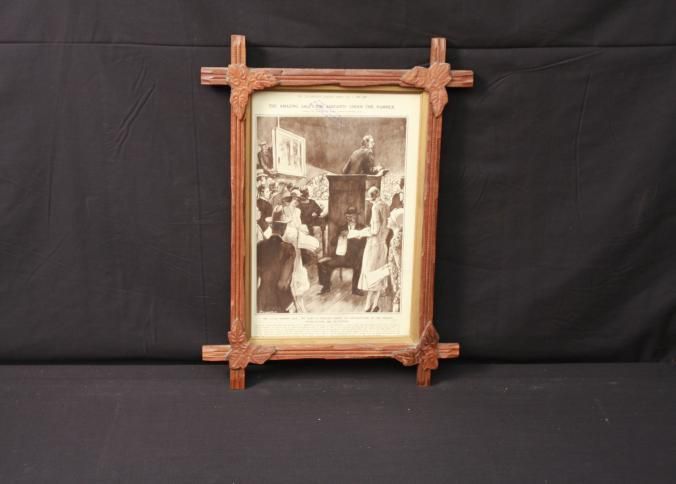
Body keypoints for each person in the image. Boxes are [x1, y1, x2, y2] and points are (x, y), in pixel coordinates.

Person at [317, 207, 367, 296]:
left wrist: (352, 236)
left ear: (356, 216)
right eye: (347, 216)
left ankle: (355, 289)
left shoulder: (362, 228)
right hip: (341, 257)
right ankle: (326, 286)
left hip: (355, 257)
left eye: (351, 216)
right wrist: (339, 236)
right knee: (323, 264)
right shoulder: (341, 228)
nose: (349, 218)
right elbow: (332, 243)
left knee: (359, 265)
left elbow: (364, 244)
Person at [356, 186, 390, 311]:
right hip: (382, 243)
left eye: (370, 196)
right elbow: (385, 226)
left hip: (374, 244)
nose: (369, 198)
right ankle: (374, 304)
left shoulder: (376, 207)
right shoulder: (385, 205)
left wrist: (362, 233)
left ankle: (368, 305)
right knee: (379, 272)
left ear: (373, 196)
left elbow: (375, 230)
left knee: (371, 272)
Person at [257, 208, 295, 312]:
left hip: (262, 298)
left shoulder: (259, 246)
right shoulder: (288, 248)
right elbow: (283, 282)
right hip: (281, 300)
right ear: (284, 227)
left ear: (271, 226)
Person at [387, 208, 404, 312]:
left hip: (400, 282)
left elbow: (401, 266)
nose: (388, 218)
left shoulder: (396, 240)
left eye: (391, 217)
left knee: (397, 305)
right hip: (398, 280)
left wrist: (400, 287)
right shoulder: (399, 236)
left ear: (397, 222)